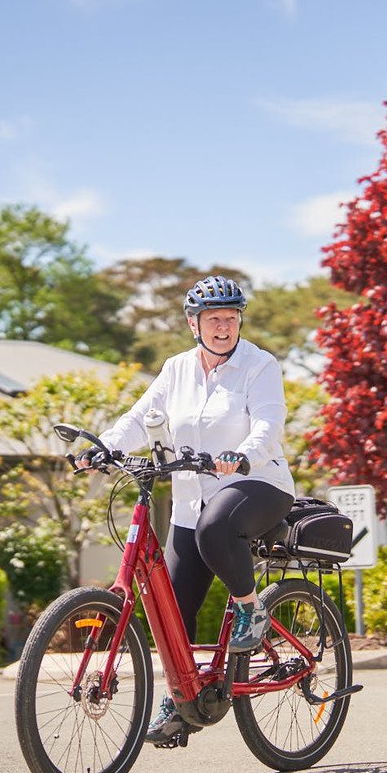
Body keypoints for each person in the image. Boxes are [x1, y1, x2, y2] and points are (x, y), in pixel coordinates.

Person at [90, 274, 294, 743]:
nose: (223, 327)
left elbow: (269, 423)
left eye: (231, 318)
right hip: (190, 500)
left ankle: (251, 610)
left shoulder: (259, 365)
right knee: (172, 609)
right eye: (213, 318)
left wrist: (244, 453)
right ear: (193, 324)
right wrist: (104, 446)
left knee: (215, 526)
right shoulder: (176, 369)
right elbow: (140, 418)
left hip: (256, 483)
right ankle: (181, 700)